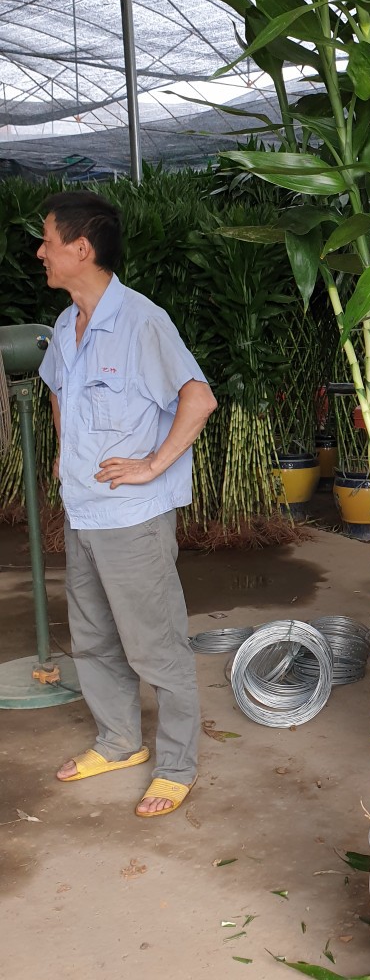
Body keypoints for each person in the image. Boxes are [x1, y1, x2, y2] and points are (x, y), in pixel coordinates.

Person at [36, 191, 217, 818]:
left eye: (48, 241)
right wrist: (65, 450)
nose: (41, 253)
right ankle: (119, 743)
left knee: (154, 644)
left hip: (133, 519)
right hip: (84, 510)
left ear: (81, 249)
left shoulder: (143, 322)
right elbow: (59, 388)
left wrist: (152, 464)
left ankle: (175, 764)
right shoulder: (66, 325)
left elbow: (198, 398)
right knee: (91, 639)